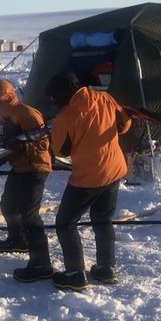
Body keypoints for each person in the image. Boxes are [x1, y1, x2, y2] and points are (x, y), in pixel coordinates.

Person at [46, 71, 131, 290]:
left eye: (54, 98)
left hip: (88, 177)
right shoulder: (104, 98)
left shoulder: (65, 117)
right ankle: (106, 268)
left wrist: (53, 133)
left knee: (65, 222)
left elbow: (60, 150)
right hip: (114, 169)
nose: (54, 102)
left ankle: (75, 273)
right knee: (102, 219)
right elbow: (124, 125)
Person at [0, 79, 53, 282]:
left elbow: (44, 145)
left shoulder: (27, 114)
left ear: (3, 99)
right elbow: (4, 149)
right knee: (8, 205)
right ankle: (17, 239)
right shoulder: (2, 118)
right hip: (19, 168)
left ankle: (41, 262)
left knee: (30, 214)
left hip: (35, 168)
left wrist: (22, 147)